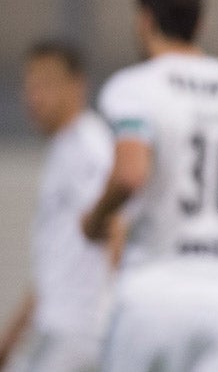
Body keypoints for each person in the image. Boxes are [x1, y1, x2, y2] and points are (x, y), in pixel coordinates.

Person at [81, 0, 218, 372]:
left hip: (153, 297)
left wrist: (94, 219)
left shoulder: (135, 86)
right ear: (201, 22)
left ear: (143, 20)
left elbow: (129, 173)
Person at [0, 40, 120, 372]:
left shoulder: (87, 147)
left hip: (78, 331)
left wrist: (117, 318)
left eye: (43, 85)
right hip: (59, 326)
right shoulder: (64, 149)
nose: (32, 97)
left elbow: (117, 228)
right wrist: (12, 335)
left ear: (76, 85)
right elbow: (55, 264)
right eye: (28, 86)